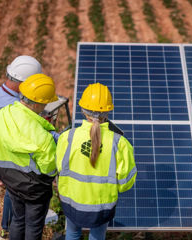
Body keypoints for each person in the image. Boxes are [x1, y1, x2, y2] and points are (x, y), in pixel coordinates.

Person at [0, 73, 58, 240]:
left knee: (18, 219)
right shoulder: (43, 137)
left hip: (9, 181)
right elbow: (49, 169)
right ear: (40, 103)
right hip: (35, 189)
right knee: (34, 225)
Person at [56, 83, 137, 240]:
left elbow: (60, 167)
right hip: (101, 207)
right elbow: (125, 182)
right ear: (107, 111)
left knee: (72, 234)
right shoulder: (119, 143)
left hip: (71, 202)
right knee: (97, 237)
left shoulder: (68, 137)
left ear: (82, 110)